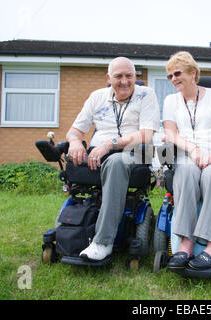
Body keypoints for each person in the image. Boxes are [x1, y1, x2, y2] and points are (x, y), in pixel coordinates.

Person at [66, 57, 160, 261]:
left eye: (129, 76)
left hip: (136, 151)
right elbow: (74, 131)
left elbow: (146, 134)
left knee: (117, 161)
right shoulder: (97, 97)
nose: (124, 81)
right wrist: (74, 142)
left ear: (136, 77)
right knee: (83, 156)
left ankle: (103, 242)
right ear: (109, 78)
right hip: (98, 152)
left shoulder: (147, 95)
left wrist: (110, 145)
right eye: (118, 76)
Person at [162, 51, 211, 270]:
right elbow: (170, 133)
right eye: (169, 76)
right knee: (185, 173)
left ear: (193, 73)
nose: (173, 79)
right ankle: (185, 244)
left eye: (177, 73)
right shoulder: (171, 101)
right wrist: (193, 149)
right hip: (190, 156)